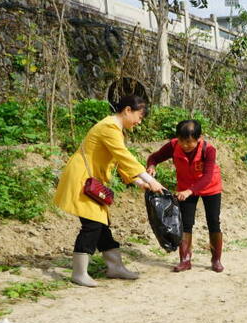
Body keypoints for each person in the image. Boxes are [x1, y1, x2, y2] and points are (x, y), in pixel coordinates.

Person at [54, 95, 164, 287]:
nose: (139, 121)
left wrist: (139, 182)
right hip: (81, 178)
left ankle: (115, 266)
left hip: (90, 180)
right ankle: (79, 272)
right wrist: (149, 179)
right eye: (139, 115)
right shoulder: (109, 127)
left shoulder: (116, 130)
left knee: (101, 223)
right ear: (127, 110)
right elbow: (124, 156)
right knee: (92, 225)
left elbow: (118, 160)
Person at [146, 120, 225, 273]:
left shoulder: (208, 150)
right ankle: (185, 260)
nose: (185, 145)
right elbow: (154, 157)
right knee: (185, 223)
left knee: (214, 222)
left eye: (189, 142)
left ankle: (216, 259)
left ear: (199, 138)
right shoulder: (174, 145)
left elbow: (208, 176)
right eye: (182, 141)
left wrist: (190, 191)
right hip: (185, 187)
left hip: (210, 187)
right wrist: (151, 165)